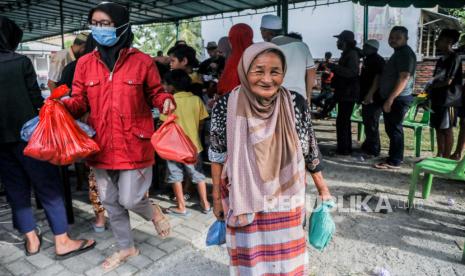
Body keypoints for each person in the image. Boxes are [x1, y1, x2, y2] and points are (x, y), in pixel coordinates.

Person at [62, 3, 174, 271]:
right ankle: (127, 247)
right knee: (110, 201)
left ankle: (153, 211)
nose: (99, 29)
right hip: (100, 144)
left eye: (105, 23)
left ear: (122, 25)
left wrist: (166, 100)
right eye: (95, 23)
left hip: (134, 142)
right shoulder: (84, 65)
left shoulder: (142, 61)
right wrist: (63, 104)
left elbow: (155, 93)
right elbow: (79, 101)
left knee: (131, 198)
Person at [209, 42, 332, 275]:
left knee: (287, 254)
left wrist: (323, 189)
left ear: (283, 73)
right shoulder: (226, 104)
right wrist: (216, 198)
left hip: (287, 195)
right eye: (259, 71)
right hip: (243, 194)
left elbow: (310, 149)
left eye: (275, 72)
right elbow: (217, 154)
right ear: (245, 71)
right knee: (250, 258)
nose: (267, 79)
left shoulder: (295, 102)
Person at [0, 15, 96, 259]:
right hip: (31, 137)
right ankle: (62, 242)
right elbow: (36, 102)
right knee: (48, 187)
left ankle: (31, 240)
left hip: (1, 142)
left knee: (15, 189)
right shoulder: (20, 62)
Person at [57, 35, 107, 233]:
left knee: (96, 175)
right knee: (110, 175)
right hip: (109, 129)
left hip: (88, 130)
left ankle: (101, 219)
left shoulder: (75, 67)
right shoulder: (112, 67)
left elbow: (65, 95)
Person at [161, 70, 211, 216]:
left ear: (171, 86)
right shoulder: (196, 100)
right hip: (194, 146)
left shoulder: (169, 101)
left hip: (173, 148)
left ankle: (181, 207)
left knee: (175, 176)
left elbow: (165, 124)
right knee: (198, 175)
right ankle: (206, 204)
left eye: (165, 84)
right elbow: (201, 122)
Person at [374, 26, 416, 169]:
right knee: (391, 129)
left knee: (394, 129)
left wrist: (390, 99)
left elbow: (404, 77)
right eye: (391, 37)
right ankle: (394, 156)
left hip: (398, 98)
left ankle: (395, 161)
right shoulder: (399, 53)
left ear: (406, 39)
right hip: (395, 98)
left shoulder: (405, 54)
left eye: (398, 37)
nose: (393, 40)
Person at [427, 29, 462, 158]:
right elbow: (436, 78)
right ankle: (439, 154)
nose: (437, 42)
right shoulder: (441, 59)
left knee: (446, 129)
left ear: (449, 42)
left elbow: (448, 81)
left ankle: (446, 158)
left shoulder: (454, 58)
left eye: (440, 39)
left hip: (449, 100)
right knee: (438, 127)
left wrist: (433, 85)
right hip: (438, 99)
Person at [327, 30, 361, 155]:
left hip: (348, 93)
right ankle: (344, 148)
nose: (337, 42)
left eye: (339, 40)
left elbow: (352, 72)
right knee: (342, 121)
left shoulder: (351, 54)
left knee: (343, 121)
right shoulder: (348, 53)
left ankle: (344, 149)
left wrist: (334, 67)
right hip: (345, 92)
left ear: (345, 42)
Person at [360, 39, 385, 157]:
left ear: (371, 48)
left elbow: (378, 78)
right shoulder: (368, 59)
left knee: (372, 122)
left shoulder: (377, 60)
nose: (363, 49)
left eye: (365, 47)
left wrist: (370, 94)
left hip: (374, 97)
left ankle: (374, 149)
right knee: (367, 121)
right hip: (368, 95)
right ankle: (368, 144)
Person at [217, 23, 253, 95]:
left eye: (230, 39)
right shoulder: (260, 56)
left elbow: (227, 91)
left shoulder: (233, 63)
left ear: (232, 40)